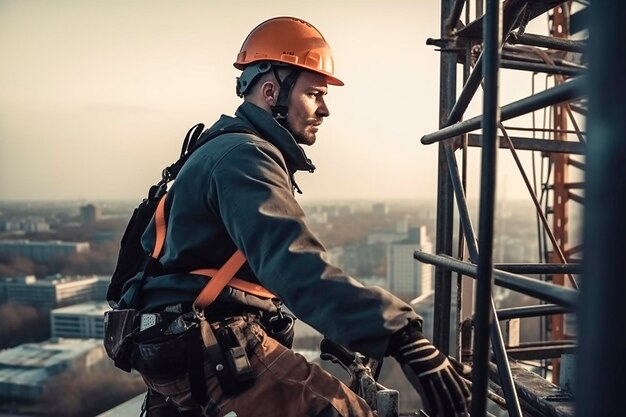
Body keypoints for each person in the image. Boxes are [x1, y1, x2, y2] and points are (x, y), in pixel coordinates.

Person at [120, 16, 471, 417]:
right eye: (315, 94)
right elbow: (293, 262)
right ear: (272, 92)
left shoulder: (221, 147)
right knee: (347, 410)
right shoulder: (245, 157)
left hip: (175, 341)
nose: (324, 109)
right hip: (207, 343)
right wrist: (401, 335)